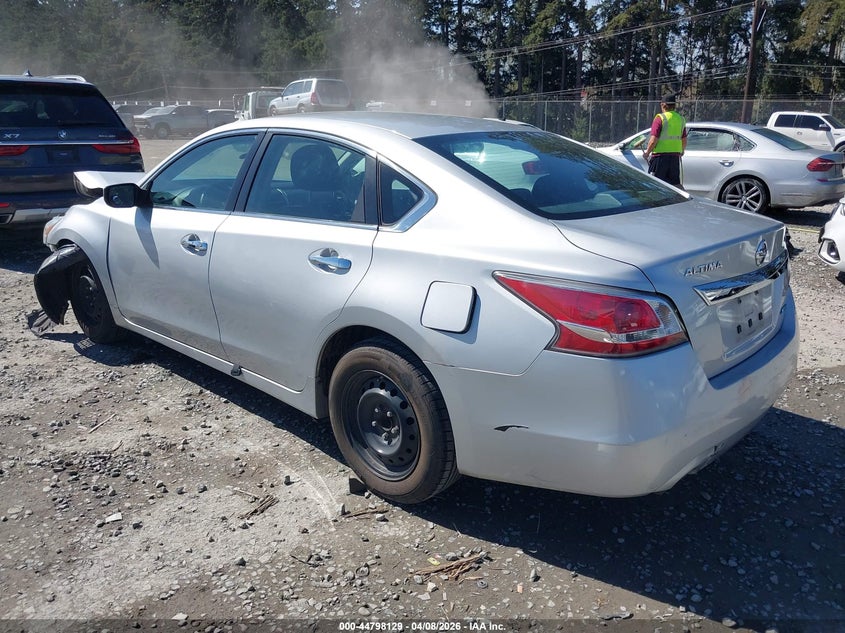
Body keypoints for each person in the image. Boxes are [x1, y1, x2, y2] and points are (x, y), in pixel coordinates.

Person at [643, 93, 687, 188]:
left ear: (663, 105)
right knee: (673, 187)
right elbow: (684, 139)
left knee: (655, 186)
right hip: (674, 158)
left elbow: (653, 140)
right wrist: (682, 151)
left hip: (660, 158)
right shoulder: (681, 119)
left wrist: (647, 153)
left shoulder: (660, 118)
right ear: (674, 105)